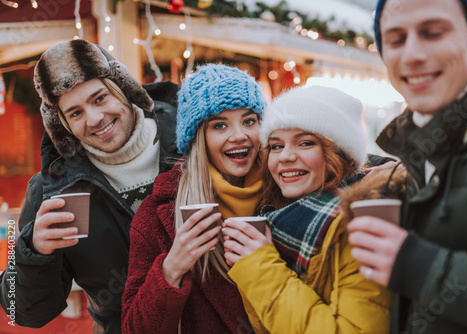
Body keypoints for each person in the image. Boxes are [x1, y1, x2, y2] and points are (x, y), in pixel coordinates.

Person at [0, 39, 180, 334]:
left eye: (99, 98)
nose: (95, 119)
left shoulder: (194, 139)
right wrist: (33, 251)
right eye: (75, 113)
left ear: (123, 90)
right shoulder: (51, 190)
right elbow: (24, 312)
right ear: (63, 124)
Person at [347, 0, 467, 333]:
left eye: (433, 33)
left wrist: (421, 267)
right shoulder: (420, 142)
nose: (412, 54)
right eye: (396, 39)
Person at [222, 85, 392, 333]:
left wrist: (259, 268)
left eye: (305, 143)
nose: (285, 157)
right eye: (276, 146)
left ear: (339, 153)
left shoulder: (362, 223)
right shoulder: (277, 217)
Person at [121, 63, 267, 334]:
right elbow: (135, 329)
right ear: (199, 138)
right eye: (220, 125)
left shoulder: (286, 194)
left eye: (249, 121)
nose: (239, 136)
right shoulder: (157, 215)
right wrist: (171, 268)